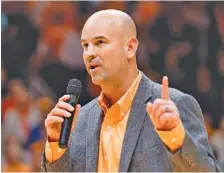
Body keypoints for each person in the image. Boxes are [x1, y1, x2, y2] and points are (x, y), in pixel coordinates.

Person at [41, 9, 220, 172]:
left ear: (130, 47)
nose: (90, 53)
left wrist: (176, 138)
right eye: (85, 46)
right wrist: (55, 147)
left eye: (100, 42)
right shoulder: (79, 121)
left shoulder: (174, 105)